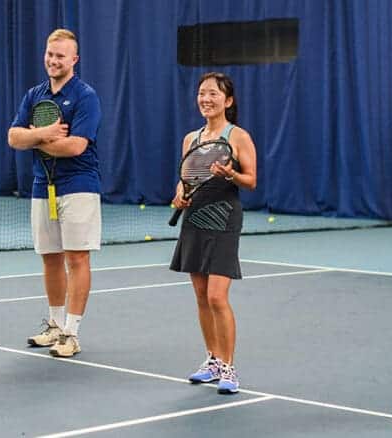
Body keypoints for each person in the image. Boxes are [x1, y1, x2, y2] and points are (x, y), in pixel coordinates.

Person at [8, 29, 103, 358]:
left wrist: (34, 137)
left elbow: (76, 146)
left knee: (77, 258)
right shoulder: (34, 95)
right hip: (41, 185)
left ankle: (72, 333)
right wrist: (47, 133)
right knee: (50, 259)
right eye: (50, 54)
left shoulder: (85, 96)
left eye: (60, 56)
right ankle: (55, 325)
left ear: (74, 60)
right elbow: (13, 137)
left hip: (79, 186)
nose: (53, 60)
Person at [171, 72, 257, 394]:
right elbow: (185, 176)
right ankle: (212, 359)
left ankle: (229, 368)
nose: (206, 99)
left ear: (228, 101)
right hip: (194, 219)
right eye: (202, 93)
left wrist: (230, 173)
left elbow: (251, 181)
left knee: (216, 296)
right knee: (200, 295)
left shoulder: (238, 136)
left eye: (214, 94)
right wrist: (179, 193)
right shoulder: (190, 139)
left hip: (224, 218)